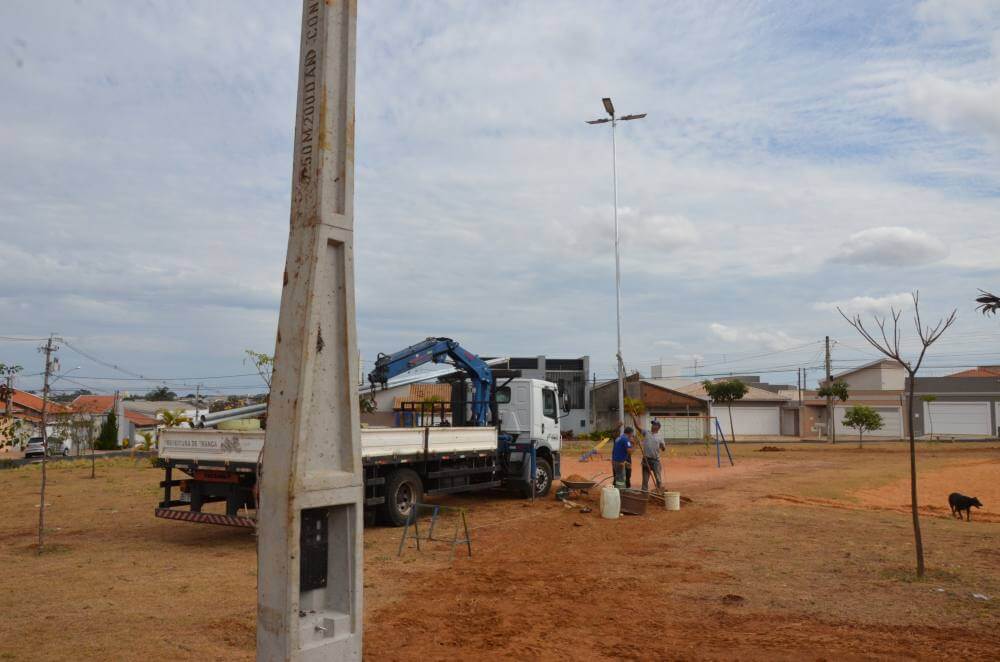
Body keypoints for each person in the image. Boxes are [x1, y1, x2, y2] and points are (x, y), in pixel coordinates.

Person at [640, 420, 666, 491]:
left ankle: (659, 492)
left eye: (654, 424)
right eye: (652, 424)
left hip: (655, 461)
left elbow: (663, 449)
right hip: (646, 460)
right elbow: (637, 427)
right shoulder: (646, 433)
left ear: (658, 427)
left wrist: (662, 446)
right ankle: (644, 494)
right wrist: (634, 417)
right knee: (645, 480)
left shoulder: (660, 436)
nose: (652, 426)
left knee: (658, 479)